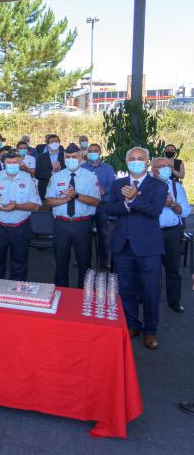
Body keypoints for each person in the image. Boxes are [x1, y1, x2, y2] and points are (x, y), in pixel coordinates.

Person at [103, 147, 167, 350]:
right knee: (126, 288)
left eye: (141, 159)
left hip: (148, 247)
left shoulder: (158, 185)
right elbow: (109, 209)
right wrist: (126, 203)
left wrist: (134, 199)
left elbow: (155, 211)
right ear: (127, 161)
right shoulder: (118, 184)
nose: (136, 162)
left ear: (147, 163)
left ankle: (151, 331)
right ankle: (131, 324)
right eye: (133, 159)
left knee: (150, 291)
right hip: (123, 246)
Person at [44, 144, 101, 288]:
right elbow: (48, 201)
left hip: (82, 224)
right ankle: (62, 294)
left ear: (81, 157)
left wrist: (76, 195)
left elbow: (95, 201)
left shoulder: (90, 177)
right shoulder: (56, 177)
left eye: (74, 157)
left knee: (84, 262)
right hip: (61, 224)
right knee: (61, 262)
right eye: (67, 157)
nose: (71, 159)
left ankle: (83, 295)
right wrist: (65, 199)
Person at [0, 150, 42, 280]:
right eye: (9, 162)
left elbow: (36, 205)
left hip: (20, 227)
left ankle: (17, 294)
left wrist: (17, 206)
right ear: (4, 162)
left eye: (15, 162)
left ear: (20, 162)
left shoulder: (29, 179)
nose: (12, 165)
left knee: (19, 264)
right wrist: (1, 207)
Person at [152, 156, 190, 313]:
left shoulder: (176, 187)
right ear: (153, 170)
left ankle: (174, 299)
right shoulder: (146, 187)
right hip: (151, 233)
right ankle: (147, 296)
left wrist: (173, 204)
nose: (166, 168)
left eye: (168, 166)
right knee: (150, 268)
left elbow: (186, 211)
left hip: (172, 233)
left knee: (173, 268)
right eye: (162, 166)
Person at [81, 143, 116, 269]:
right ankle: (83, 259)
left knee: (104, 234)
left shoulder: (108, 168)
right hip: (86, 205)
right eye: (90, 151)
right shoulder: (83, 168)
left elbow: (113, 186)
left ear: (100, 152)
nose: (92, 153)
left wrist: (104, 190)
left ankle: (104, 260)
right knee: (84, 234)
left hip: (103, 205)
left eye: (95, 150)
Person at [35, 134, 65, 198]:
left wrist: (60, 168)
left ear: (59, 143)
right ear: (48, 144)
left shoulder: (66, 156)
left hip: (63, 188)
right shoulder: (41, 157)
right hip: (45, 189)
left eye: (56, 141)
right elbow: (37, 174)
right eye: (52, 142)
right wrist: (52, 172)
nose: (54, 143)